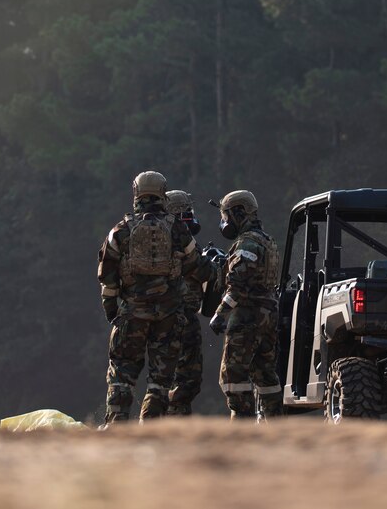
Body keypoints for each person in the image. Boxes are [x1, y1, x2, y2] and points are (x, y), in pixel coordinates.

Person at [98, 171, 200, 424]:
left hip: (132, 313)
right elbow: (195, 265)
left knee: (122, 371)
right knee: (160, 378)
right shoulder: (177, 228)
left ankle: (116, 423)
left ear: (136, 193)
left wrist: (112, 310)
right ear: (163, 193)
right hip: (169, 316)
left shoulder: (121, 230)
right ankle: (152, 427)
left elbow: (107, 274)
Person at [209, 189, 283, 420]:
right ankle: (275, 424)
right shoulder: (267, 241)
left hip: (247, 319)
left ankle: (243, 425)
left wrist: (220, 314)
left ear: (239, 213)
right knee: (266, 375)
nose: (225, 222)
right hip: (268, 317)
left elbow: (238, 286)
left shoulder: (246, 244)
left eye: (226, 216)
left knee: (232, 377)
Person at [165, 189, 209, 415]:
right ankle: (174, 421)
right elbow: (201, 271)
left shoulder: (151, 238)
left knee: (162, 378)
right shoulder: (182, 240)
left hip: (158, 316)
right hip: (182, 317)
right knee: (187, 379)